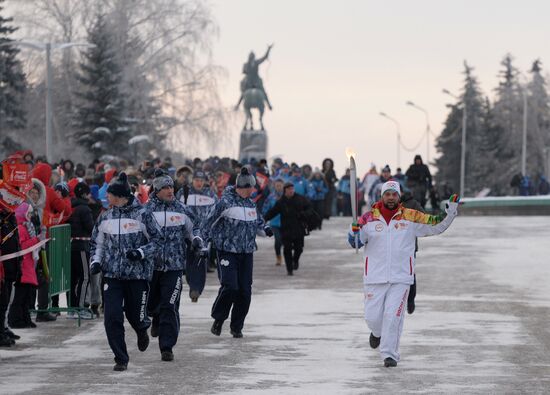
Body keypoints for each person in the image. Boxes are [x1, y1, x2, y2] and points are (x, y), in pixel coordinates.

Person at [349, 180, 460, 367]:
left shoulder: (411, 217)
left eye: (394, 194)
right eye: (387, 194)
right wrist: (354, 234)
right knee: (373, 318)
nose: (391, 197)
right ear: (382, 196)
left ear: (399, 196)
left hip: (401, 277)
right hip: (374, 277)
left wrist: (450, 211)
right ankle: (376, 333)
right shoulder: (368, 219)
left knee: (393, 316)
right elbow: (356, 243)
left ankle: (389, 354)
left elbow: (436, 223)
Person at [89, 173, 163, 371]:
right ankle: (120, 358)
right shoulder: (106, 216)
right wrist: (96, 261)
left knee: (136, 315)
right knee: (112, 317)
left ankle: (141, 329)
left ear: (120, 195)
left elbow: (158, 241)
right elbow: (97, 243)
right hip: (112, 276)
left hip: (137, 275)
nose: (107, 197)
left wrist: (140, 253)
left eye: (110, 194)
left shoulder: (143, 215)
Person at [203, 168, 272, 338]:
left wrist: (266, 228)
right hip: (227, 251)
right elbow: (207, 224)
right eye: (251, 187)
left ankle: (237, 326)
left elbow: (259, 223)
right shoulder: (224, 203)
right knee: (230, 287)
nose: (253, 190)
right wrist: (202, 244)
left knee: (244, 291)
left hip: (246, 252)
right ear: (244, 186)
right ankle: (218, 319)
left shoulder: (250, 204)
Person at [145, 170, 201, 362]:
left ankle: (167, 346)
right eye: (166, 188)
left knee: (170, 305)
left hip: (175, 266)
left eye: (172, 187)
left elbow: (194, 228)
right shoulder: (146, 210)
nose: (170, 190)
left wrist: (196, 239)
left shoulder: (181, 209)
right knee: (151, 305)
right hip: (151, 266)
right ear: (157, 190)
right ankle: (155, 315)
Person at [181, 170, 217, 302]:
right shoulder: (184, 193)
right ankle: (192, 284)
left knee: (201, 261)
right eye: (196, 180)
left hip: (203, 233)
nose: (199, 183)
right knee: (190, 261)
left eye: (201, 181)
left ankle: (196, 289)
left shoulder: (211, 195)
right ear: (192, 180)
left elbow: (216, 212)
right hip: (187, 233)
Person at [264, 182, 313, 276]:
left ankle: (295, 260)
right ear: (285, 190)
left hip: (299, 228)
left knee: (299, 249)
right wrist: (264, 219)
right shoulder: (281, 201)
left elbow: (310, 209)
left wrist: (304, 214)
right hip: (286, 229)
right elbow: (272, 212)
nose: (291, 191)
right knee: (287, 249)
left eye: (292, 189)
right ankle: (289, 269)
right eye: (289, 189)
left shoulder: (300, 199)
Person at [8, 203, 42, 329]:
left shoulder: (27, 226)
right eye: (28, 213)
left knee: (26, 296)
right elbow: (22, 246)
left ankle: (25, 318)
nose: (30, 215)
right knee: (20, 297)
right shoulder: (21, 228)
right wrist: (37, 240)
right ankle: (16, 319)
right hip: (23, 267)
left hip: (28, 265)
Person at [67, 182, 95, 319]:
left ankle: (72, 308)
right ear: (84, 194)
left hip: (71, 247)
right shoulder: (84, 209)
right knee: (85, 277)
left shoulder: (71, 207)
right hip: (82, 247)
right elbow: (91, 228)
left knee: (72, 279)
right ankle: (81, 307)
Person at [262, 178, 284, 265]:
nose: (278, 187)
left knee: (285, 241)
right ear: (274, 186)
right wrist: (265, 218)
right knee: (278, 240)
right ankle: (278, 257)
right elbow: (265, 208)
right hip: (274, 223)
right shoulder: (271, 197)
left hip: (285, 222)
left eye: (280, 185)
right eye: (277, 185)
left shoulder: (286, 196)